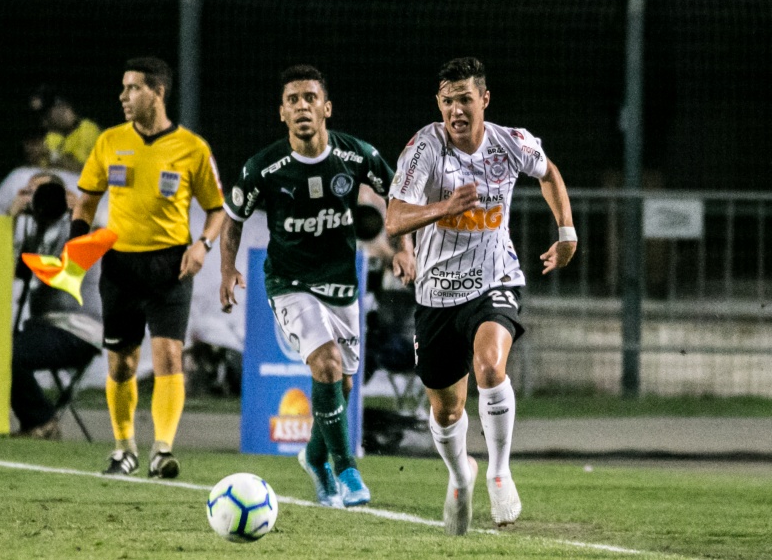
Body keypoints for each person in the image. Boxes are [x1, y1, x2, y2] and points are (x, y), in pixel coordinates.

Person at [385, 57, 577, 535]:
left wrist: (568, 231)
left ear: (484, 100)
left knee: (490, 366)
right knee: (446, 409)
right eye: (447, 100)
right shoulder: (424, 148)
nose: (456, 109)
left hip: (495, 282)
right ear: (439, 104)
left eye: (465, 99)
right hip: (434, 296)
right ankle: (460, 475)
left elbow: (548, 172)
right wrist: (444, 207)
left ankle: (499, 470)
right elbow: (393, 219)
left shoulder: (510, 144)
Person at [219, 64, 415, 508]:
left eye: (310, 98)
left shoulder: (356, 156)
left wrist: (402, 248)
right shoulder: (264, 167)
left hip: (342, 286)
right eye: (293, 100)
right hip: (289, 283)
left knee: (343, 387)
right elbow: (233, 219)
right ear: (282, 114)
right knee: (325, 365)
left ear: (326, 108)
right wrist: (227, 270)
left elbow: (397, 196)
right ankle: (346, 469)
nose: (302, 106)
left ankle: (314, 458)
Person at [69, 56, 225, 479]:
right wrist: (76, 246)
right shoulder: (109, 142)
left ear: (157, 92)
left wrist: (203, 245)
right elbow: (85, 200)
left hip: (170, 266)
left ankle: (162, 450)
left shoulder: (193, 148)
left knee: (170, 355)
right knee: (121, 362)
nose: (123, 96)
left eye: (133, 88)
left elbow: (217, 209)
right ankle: (124, 450)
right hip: (120, 266)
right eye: (123, 88)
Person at [10, 173, 103, 439]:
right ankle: (35, 421)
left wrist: (82, 214)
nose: (40, 199)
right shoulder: (40, 232)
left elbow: (59, 272)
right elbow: (17, 271)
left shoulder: (78, 229)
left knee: (7, 355)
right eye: (31, 191)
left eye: (47, 192)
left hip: (77, 329)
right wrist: (14, 219)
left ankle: (42, 421)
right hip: (50, 326)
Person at [29, 84, 102, 173]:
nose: (44, 122)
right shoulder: (51, 137)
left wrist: (51, 156)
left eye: (46, 115)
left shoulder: (88, 130)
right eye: (41, 117)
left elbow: (86, 172)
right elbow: (41, 170)